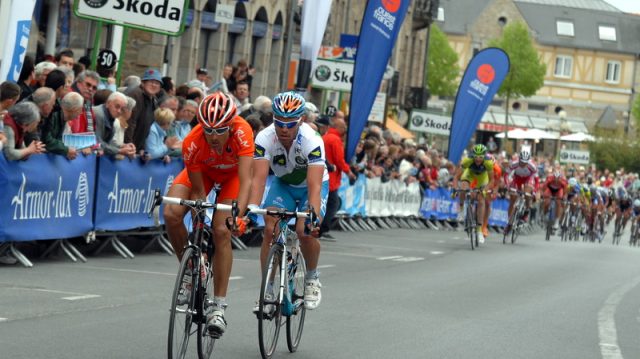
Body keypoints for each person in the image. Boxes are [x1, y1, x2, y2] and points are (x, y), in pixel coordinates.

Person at [163, 92, 254, 337]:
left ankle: (219, 306)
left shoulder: (243, 133)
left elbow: (247, 180)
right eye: (208, 130)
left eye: (219, 130)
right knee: (171, 212)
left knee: (222, 230)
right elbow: (198, 189)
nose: (213, 136)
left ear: (231, 126)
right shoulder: (192, 140)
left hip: (233, 177)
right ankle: (190, 269)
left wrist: (239, 215)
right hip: (203, 173)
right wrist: (198, 211)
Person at [248, 91, 329, 311]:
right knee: (269, 229)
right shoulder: (264, 138)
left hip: (310, 187)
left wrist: (313, 216)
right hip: (283, 185)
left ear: (301, 120)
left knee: (304, 230)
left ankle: (312, 278)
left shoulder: (312, 140)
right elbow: (258, 179)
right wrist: (250, 209)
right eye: (279, 122)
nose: (284, 128)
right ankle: (268, 288)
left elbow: (313, 186)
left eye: (290, 123)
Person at [320, 114, 356, 239]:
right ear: (339, 127)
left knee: (324, 203)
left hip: (322, 175)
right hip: (331, 177)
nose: (345, 130)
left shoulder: (326, 137)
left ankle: (319, 227)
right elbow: (339, 160)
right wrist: (349, 172)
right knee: (333, 204)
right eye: (344, 128)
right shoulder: (335, 140)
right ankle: (322, 229)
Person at [452, 144, 494, 244]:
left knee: (481, 199)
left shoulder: (488, 162)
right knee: (463, 187)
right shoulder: (467, 160)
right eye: (476, 156)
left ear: (484, 156)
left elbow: (492, 180)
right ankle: (461, 209)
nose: (478, 159)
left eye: (480, 157)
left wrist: (485, 190)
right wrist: (455, 189)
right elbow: (456, 177)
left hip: (482, 178)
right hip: (469, 175)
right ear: (473, 155)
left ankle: (479, 231)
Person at [125, 68, 162, 152]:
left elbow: (151, 126)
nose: (154, 85)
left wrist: (144, 149)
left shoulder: (153, 100)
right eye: (151, 82)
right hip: (129, 147)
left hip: (138, 148)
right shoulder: (135, 94)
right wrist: (129, 144)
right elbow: (130, 122)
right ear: (143, 83)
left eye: (157, 83)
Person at [41, 92, 84, 160]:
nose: (81, 113)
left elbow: (59, 139)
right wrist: (66, 150)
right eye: (80, 109)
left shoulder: (63, 117)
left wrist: (66, 151)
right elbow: (46, 140)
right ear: (74, 109)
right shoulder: (53, 115)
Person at [504, 149, 539, 233]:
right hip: (517, 179)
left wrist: (534, 191)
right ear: (519, 159)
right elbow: (506, 174)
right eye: (522, 162)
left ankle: (526, 210)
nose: (523, 164)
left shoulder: (532, 166)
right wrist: (507, 185)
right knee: (513, 198)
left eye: (525, 162)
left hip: (527, 179)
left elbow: (537, 181)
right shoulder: (514, 164)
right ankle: (509, 222)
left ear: (528, 161)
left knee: (527, 193)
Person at [93, 91, 136, 158]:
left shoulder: (111, 117)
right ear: (107, 103)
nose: (119, 111)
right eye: (117, 106)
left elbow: (107, 143)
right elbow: (97, 143)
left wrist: (123, 146)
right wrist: (119, 150)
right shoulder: (99, 114)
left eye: (122, 109)